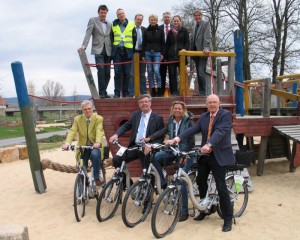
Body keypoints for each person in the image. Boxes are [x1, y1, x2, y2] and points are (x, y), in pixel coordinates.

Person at [166, 94, 235, 232]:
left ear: (219, 103)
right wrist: (177, 139)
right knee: (200, 181)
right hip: (205, 155)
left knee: (221, 187)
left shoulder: (225, 115)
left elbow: (220, 132)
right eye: (209, 102)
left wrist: (209, 144)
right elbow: (193, 129)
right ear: (206, 103)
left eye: (214, 102)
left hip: (219, 154)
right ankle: (204, 209)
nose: (212, 104)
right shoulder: (204, 117)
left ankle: (228, 219)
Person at [144, 101, 195, 222]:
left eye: (179, 109)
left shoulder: (188, 121)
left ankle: (184, 211)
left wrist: (185, 154)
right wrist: (150, 138)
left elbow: (192, 139)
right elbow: (162, 131)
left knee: (181, 181)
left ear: (183, 110)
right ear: (172, 110)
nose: (177, 110)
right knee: (154, 158)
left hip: (186, 153)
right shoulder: (171, 121)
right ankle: (162, 180)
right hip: (172, 151)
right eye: (175, 109)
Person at [108, 94, 164, 168]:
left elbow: (160, 136)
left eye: (146, 101)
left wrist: (151, 145)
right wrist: (116, 135)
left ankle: (148, 178)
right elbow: (126, 126)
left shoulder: (158, 118)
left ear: (150, 103)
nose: (144, 104)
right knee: (117, 159)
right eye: (141, 102)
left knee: (147, 169)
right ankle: (126, 180)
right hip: (135, 147)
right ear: (139, 104)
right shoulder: (136, 115)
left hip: (147, 147)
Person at [62, 100, 105, 186]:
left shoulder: (98, 118)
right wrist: (67, 143)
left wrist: (97, 142)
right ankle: (83, 179)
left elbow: (99, 131)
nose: (88, 111)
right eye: (85, 109)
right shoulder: (77, 119)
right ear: (82, 110)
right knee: (81, 162)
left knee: (95, 155)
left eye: (89, 108)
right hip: (83, 146)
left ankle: (96, 178)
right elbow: (72, 131)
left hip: (94, 146)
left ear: (92, 108)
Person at [79, 5, 112, 99]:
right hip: (98, 49)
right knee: (101, 69)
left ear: (106, 13)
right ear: (98, 12)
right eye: (101, 12)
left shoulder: (109, 24)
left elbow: (111, 37)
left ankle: (103, 91)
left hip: (108, 50)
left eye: (105, 13)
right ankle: (101, 93)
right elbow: (88, 33)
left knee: (107, 73)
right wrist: (84, 46)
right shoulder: (93, 20)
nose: (103, 14)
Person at [111, 8, 135, 98]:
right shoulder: (113, 24)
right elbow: (111, 37)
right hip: (117, 51)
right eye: (119, 14)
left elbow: (134, 37)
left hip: (128, 51)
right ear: (117, 16)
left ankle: (126, 93)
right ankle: (117, 93)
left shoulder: (131, 24)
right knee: (117, 73)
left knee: (127, 73)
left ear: (125, 14)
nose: (121, 15)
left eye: (123, 13)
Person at [164, 15, 189, 96]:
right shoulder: (170, 32)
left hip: (181, 55)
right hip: (171, 56)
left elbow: (187, 42)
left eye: (177, 21)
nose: (176, 22)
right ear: (172, 22)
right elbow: (167, 45)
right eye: (174, 21)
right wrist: (165, 56)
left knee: (183, 74)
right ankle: (174, 92)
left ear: (180, 21)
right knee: (172, 74)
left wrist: (185, 49)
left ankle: (183, 91)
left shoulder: (184, 31)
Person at [142, 14, 165, 97]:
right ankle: (152, 89)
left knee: (156, 70)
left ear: (157, 20)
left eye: (154, 20)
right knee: (150, 71)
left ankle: (159, 88)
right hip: (148, 52)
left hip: (157, 53)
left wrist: (162, 53)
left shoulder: (160, 30)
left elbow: (163, 43)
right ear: (149, 21)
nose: (153, 21)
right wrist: (143, 54)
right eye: (151, 20)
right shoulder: (146, 30)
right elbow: (143, 43)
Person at [190, 9, 211, 96]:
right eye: (196, 16)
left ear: (201, 16)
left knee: (201, 71)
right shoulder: (194, 26)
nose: (197, 17)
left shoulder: (205, 23)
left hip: (202, 52)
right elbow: (192, 39)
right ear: (194, 17)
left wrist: (206, 47)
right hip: (195, 52)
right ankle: (201, 91)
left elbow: (207, 36)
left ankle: (203, 92)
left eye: (199, 15)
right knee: (198, 73)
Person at [129, 13, 147, 96]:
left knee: (142, 74)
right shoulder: (130, 29)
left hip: (142, 54)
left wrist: (144, 55)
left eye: (141, 20)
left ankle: (143, 92)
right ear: (135, 19)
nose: (139, 21)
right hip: (133, 53)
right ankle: (131, 92)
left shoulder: (144, 30)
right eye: (138, 19)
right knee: (132, 74)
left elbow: (146, 43)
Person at [159, 11, 171, 96]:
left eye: (168, 17)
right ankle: (161, 92)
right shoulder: (159, 28)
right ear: (163, 18)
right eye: (165, 17)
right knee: (161, 74)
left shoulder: (174, 28)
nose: (166, 18)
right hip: (161, 54)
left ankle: (174, 92)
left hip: (171, 54)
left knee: (172, 74)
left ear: (170, 18)